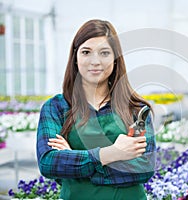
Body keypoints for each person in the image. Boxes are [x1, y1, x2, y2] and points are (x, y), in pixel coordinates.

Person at [36, 19, 156, 200]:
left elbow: (144, 168)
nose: (95, 61)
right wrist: (112, 153)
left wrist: (74, 163)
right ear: (75, 57)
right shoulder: (56, 108)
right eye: (86, 52)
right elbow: (49, 163)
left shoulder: (136, 109)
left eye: (104, 53)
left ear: (116, 59)